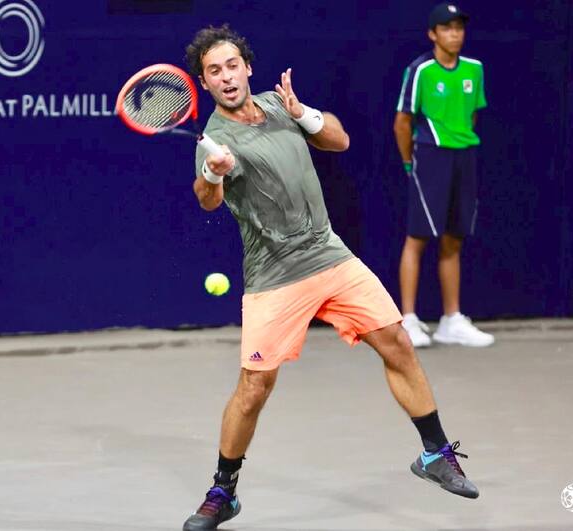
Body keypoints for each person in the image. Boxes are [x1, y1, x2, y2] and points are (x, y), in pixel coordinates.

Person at [182, 24, 479, 531]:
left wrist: (302, 112)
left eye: (232, 65)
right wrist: (213, 172)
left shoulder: (279, 106)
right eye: (214, 71)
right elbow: (206, 198)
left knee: (398, 343)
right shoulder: (214, 138)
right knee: (255, 386)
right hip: (274, 274)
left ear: (248, 68)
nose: (226, 77)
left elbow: (339, 141)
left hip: (330, 255)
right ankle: (222, 490)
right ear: (205, 83)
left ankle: (433, 453)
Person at [394, 3, 495, 348]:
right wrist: (411, 163)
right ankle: (407, 319)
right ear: (432, 34)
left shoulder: (475, 70)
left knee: (454, 238)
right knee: (418, 237)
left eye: (459, 28)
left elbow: (472, 117)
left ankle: (451, 319)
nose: (455, 34)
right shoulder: (420, 70)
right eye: (447, 28)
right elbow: (402, 122)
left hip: (465, 156)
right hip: (430, 156)